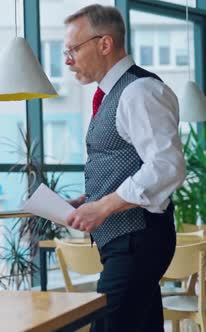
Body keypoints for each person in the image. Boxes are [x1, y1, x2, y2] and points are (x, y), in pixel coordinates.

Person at [62, 5, 186, 332]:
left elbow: (167, 166)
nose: (67, 60)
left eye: (73, 49)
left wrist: (103, 206)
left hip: (137, 238)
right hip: (128, 239)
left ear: (105, 44)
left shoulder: (139, 91)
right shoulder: (115, 94)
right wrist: (92, 197)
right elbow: (130, 161)